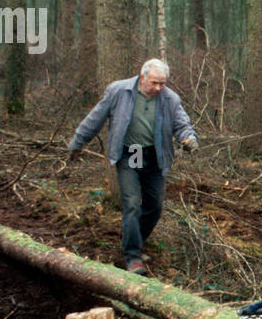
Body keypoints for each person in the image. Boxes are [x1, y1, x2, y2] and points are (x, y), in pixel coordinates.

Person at [68, 58, 198, 275]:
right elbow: (95, 118)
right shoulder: (119, 91)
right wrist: (78, 142)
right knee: (131, 202)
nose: (158, 88)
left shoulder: (170, 99)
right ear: (142, 76)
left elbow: (182, 124)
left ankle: (135, 241)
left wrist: (189, 139)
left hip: (154, 155)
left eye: (162, 84)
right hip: (131, 154)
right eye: (154, 83)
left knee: (154, 205)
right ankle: (132, 256)